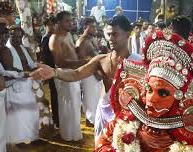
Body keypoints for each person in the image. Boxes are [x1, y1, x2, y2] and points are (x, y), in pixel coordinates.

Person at [82, 31, 193, 152]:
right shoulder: (132, 115)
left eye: (163, 93)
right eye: (149, 89)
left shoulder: (190, 132)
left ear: (179, 98)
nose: (150, 99)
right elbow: (104, 140)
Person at [30, 15, 141, 141]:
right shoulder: (101, 60)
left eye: (115, 34)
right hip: (104, 113)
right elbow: (76, 74)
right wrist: (55, 72)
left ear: (127, 34)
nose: (110, 38)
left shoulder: (138, 62)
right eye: (109, 34)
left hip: (126, 115)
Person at [48, 11, 86, 141]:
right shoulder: (55, 38)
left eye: (71, 20)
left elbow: (71, 52)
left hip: (73, 73)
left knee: (75, 105)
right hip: (63, 75)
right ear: (59, 22)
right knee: (67, 106)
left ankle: (74, 133)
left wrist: (80, 55)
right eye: (67, 21)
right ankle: (67, 135)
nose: (71, 23)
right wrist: (81, 62)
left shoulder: (69, 34)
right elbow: (58, 62)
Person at [0, 26, 40, 145]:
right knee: (17, 115)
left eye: (19, 37)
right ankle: (18, 140)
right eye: (14, 36)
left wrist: (39, 68)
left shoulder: (24, 48)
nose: (17, 39)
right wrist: (24, 72)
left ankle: (32, 137)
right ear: (9, 36)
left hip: (26, 85)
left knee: (31, 112)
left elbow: (31, 64)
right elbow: (9, 69)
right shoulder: (5, 50)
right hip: (14, 86)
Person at [76, 17, 101, 127]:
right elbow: (82, 61)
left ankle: (93, 119)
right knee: (89, 97)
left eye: (95, 26)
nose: (95, 29)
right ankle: (90, 120)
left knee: (95, 97)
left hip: (96, 73)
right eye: (92, 26)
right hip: (89, 74)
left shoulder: (91, 39)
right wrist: (95, 73)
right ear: (85, 27)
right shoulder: (81, 41)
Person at [41, 15, 59, 128]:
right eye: (50, 25)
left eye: (53, 24)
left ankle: (58, 118)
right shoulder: (46, 38)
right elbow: (47, 56)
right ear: (46, 26)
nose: (52, 27)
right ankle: (56, 119)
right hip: (51, 69)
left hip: (55, 69)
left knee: (56, 93)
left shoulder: (53, 37)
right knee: (54, 93)